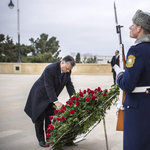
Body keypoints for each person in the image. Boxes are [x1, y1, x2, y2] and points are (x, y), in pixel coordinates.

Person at [114, 10, 150, 150]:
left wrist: (119, 74)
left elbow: (127, 85)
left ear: (140, 28)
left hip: (137, 108)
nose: (130, 27)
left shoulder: (136, 50)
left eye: (133, 24)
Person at [24, 55, 76, 147]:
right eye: (67, 68)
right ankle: (41, 140)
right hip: (40, 95)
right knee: (39, 118)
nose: (68, 71)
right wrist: (56, 101)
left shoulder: (68, 71)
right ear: (62, 62)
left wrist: (74, 97)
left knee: (50, 117)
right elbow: (49, 86)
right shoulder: (50, 69)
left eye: (69, 69)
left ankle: (49, 138)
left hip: (50, 96)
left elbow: (69, 85)